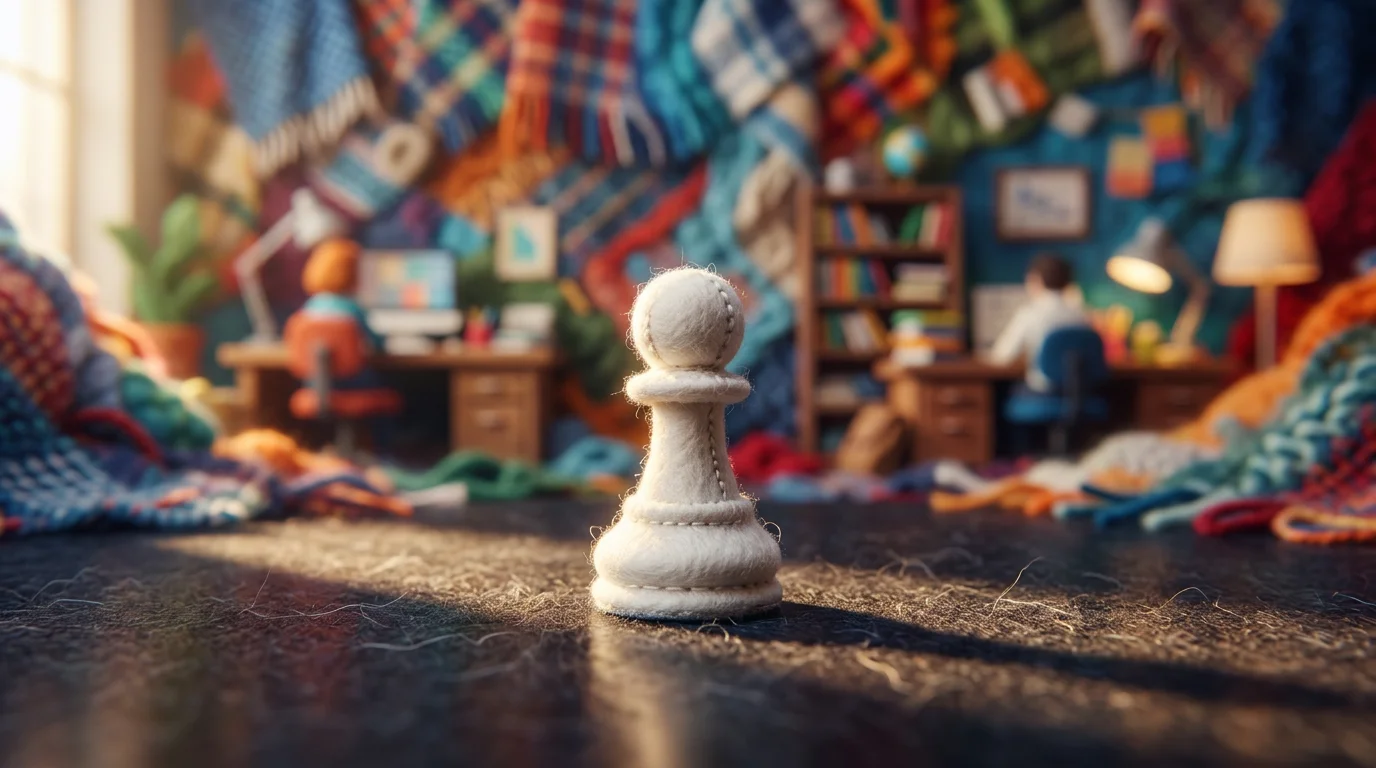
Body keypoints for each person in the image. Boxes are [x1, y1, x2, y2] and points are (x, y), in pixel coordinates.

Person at [986, 253, 1092, 391]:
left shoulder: (1029, 314)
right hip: (1080, 392)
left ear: (1036, 279)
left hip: (1041, 392)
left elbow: (1002, 356)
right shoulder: (1080, 314)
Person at [299, 237, 384, 351]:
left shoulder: (309, 307)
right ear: (354, 273)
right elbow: (376, 343)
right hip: (354, 363)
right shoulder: (352, 309)